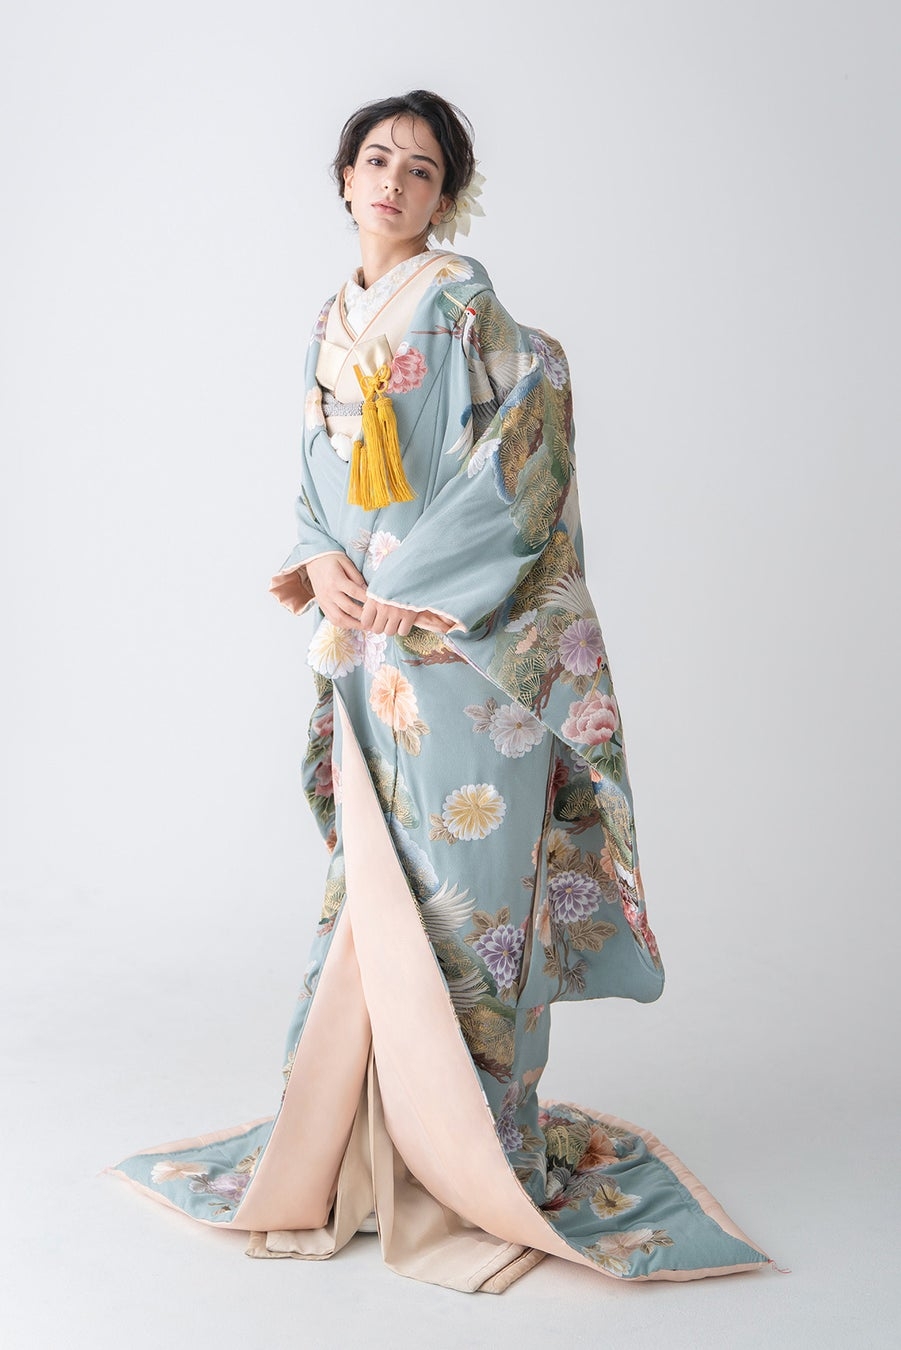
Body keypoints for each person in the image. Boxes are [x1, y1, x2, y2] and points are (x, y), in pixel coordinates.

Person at [109, 90, 769, 1294]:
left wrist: (411, 587)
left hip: (466, 653)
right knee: (377, 892)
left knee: (471, 902)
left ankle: (474, 1159)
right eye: (375, 159)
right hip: (371, 647)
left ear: (446, 198)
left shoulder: (463, 301)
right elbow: (315, 482)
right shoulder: (329, 320)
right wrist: (322, 561)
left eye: (421, 169)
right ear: (342, 177)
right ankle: (369, 1145)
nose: (393, 181)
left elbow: (527, 449)